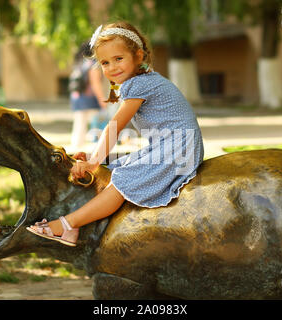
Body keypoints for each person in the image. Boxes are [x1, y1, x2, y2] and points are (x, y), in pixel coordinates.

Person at [27, 21, 204, 247]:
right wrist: (95, 158)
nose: (112, 67)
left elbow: (114, 127)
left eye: (119, 59)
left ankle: (67, 224)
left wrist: (93, 161)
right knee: (116, 169)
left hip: (178, 149)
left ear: (138, 56)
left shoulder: (139, 85)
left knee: (122, 181)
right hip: (174, 145)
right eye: (105, 62)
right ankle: (75, 227)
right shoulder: (143, 80)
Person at [69, 42, 107, 149]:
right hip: (89, 98)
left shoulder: (80, 63)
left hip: (77, 97)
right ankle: (98, 149)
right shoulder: (93, 64)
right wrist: (102, 100)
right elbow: (95, 83)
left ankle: (76, 150)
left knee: (79, 125)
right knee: (97, 125)